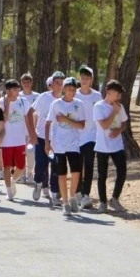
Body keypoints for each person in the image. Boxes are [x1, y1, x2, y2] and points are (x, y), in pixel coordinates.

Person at [46, 77, 86, 217]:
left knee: (76, 171)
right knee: (61, 173)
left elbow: (81, 125)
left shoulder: (79, 104)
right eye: (69, 89)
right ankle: (65, 204)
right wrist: (47, 142)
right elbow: (48, 122)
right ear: (64, 89)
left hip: (73, 143)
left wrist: (66, 120)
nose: (72, 92)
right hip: (59, 144)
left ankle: (72, 196)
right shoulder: (56, 104)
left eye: (74, 90)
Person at [0, 79, 37, 201]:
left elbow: (27, 117)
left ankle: (13, 180)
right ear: (8, 91)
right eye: (14, 89)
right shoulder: (1, 101)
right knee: (7, 166)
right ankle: (8, 189)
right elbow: (3, 119)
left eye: (17, 89)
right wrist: (8, 103)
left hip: (20, 139)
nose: (17, 91)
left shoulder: (23, 101)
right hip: (7, 140)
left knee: (21, 166)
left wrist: (31, 133)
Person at [93, 80, 129, 213]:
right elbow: (104, 125)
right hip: (102, 145)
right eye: (117, 93)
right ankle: (103, 202)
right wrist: (114, 112)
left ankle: (115, 199)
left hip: (117, 145)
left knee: (122, 171)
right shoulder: (98, 106)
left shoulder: (120, 106)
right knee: (102, 175)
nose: (119, 97)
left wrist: (119, 130)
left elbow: (124, 123)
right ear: (109, 92)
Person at [31, 72, 65, 203]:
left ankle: (55, 193)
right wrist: (32, 132)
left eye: (62, 83)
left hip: (57, 139)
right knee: (41, 164)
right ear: (52, 84)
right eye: (57, 83)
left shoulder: (65, 100)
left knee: (56, 166)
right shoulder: (44, 97)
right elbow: (32, 113)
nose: (59, 86)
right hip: (41, 137)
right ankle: (38, 183)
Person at [74, 65, 102, 209]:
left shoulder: (97, 96)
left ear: (92, 80)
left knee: (89, 165)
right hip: (75, 136)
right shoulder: (74, 94)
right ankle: (77, 191)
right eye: (82, 78)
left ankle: (86, 194)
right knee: (77, 166)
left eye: (87, 78)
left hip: (91, 136)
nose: (84, 80)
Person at [19, 73, 39, 184]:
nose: (26, 84)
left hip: (33, 130)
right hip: (20, 131)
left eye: (28, 82)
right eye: (24, 82)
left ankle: (30, 172)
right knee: (21, 153)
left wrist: (35, 130)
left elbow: (38, 113)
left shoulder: (37, 96)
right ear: (21, 83)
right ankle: (22, 173)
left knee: (31, 153)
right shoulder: (18, 96)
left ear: (31, 83)